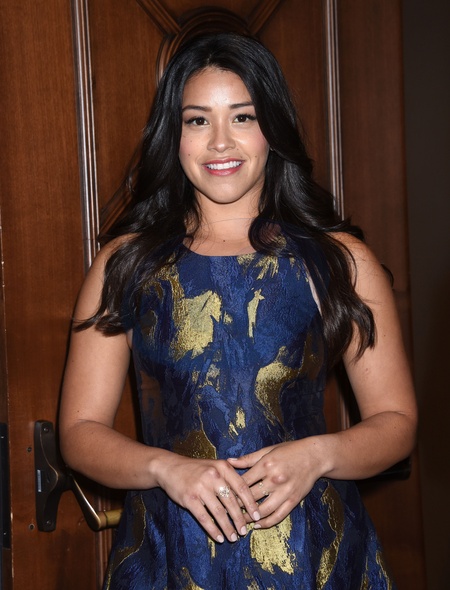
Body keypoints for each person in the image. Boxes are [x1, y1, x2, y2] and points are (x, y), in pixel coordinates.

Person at [59, 32, 417, 589]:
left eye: (243, 117)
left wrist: (318, 456)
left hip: (312, 555)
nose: (220, 142)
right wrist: (164, 468)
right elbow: (80, 431)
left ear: (272, 128)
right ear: (174, 135)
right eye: (198, 120)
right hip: (170, 553)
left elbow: (396, 422)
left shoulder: (339, 260)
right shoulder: (125, 265)